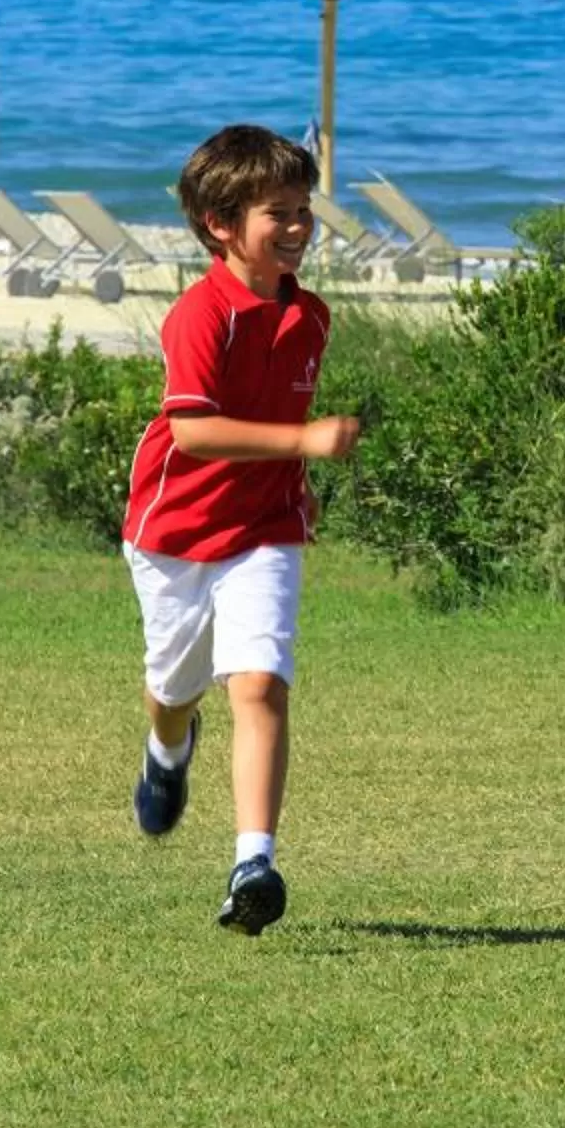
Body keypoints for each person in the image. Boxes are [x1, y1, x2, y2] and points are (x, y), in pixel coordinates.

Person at [122, 124, 363, 934]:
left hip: (266, 527)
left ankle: (252, 863)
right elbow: (193, 432)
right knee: (174, 691)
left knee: (259, 684)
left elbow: (278, 415)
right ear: (221, 224)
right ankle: (167, 750)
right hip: (175, 532)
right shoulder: (201, 315)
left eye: (304, 210)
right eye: (277, 213)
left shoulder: (312, 317)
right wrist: (304, 443)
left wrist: (299, 485)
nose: (297, 227)